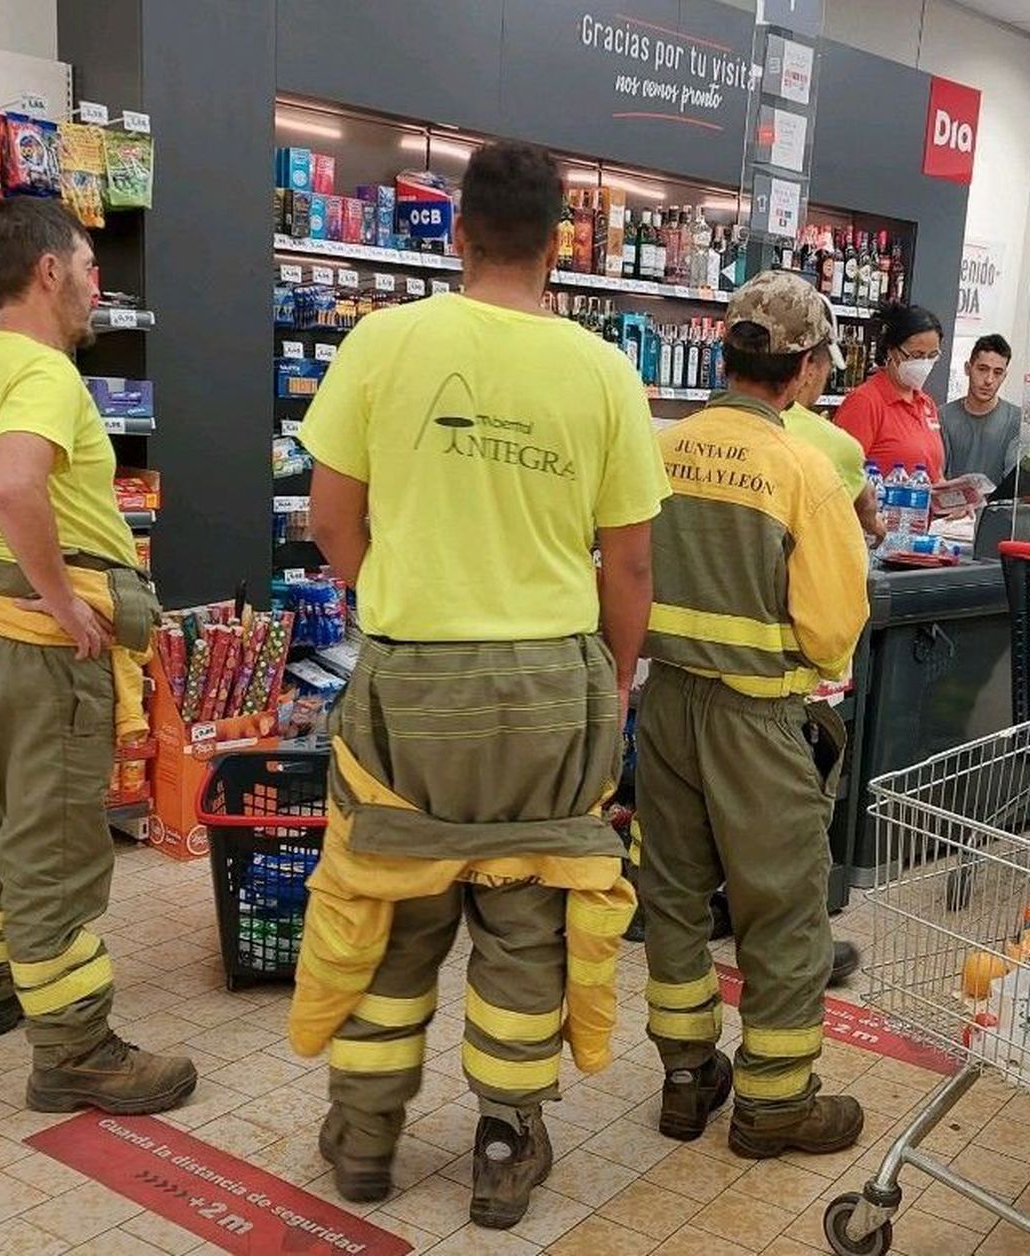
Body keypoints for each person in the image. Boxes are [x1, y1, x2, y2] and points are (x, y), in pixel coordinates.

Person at [290, 140, 667, 1228]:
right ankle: (504, 1144)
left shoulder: (382, 340)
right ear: (560, 245)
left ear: (457, 234)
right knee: (526, 918)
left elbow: (328, 517)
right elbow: (629, 564)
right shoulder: (600, 370)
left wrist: (401, 590)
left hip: (412, 679)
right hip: (552, 680)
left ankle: (365, 1136)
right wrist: (618, 679)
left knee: (389, 901)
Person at [0, 198, 195, 1113]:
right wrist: (63, 597)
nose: (100, 284)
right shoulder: (44, 373)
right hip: (40, 652)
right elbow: (15, 479)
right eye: (92, 266)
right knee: (56, 842)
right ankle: (74, 1050)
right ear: (50, 272)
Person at [638, 268, 870, 1160]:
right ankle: (775, 1107)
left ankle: (686, 1078)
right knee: (781, 914)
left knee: (674, 895)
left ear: (727, 352)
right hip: (759, 720)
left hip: (665, 711)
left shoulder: (659, 447)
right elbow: (830, 624)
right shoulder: (805, 471)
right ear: (806, 370)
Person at [782, 295, 885, 542]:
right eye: (828, 364)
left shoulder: (696, 427)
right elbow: (864, 516)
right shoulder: (837, 446)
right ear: (809, 367)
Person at [834, 302, 946, 485]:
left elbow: (935, 474)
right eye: (916, 355)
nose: (925, 363)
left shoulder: (926, 404)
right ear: (891, 351)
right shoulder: (865, 402)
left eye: (932, 356)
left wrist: (954, 499)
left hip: (923, 512)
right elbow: (841, 474)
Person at [940, 333, 1021, 489]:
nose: (989, 380)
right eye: (983, 369)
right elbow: (937, 475)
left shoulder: (1016, 420)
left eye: (997, 373)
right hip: (952, 510)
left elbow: (1016, 484)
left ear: (1004, 376)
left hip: (997, 511)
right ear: (968, 369)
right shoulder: (944, 416)